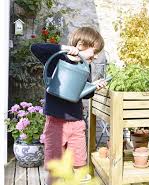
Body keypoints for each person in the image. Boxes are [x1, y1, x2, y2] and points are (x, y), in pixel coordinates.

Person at [31, 27, 107, 185]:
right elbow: (35, 48)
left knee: (79, 164)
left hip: (76, 124)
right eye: (95, 50)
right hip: (55, 124)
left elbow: (85, 94)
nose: (96, 55)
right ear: (81, 45)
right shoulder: (58, 59)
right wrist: (64, 48)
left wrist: (93, 86)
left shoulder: (86, 66)